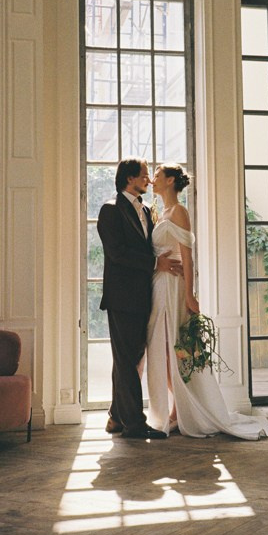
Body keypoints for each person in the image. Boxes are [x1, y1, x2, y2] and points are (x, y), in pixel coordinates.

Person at [146, 163, 268, 440]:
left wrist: (190, 295)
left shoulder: (179, 211)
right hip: (158, 286)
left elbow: (188, 258)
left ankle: (181, 411)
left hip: (174, 287)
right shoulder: (159, 213)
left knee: (177, 349)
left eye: (157, 175)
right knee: (162, 349)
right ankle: (179, 407)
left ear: (170, 181)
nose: (152, 179)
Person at [97, 157, 182, 440]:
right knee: (126, 360)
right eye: (144, 175)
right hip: (122, 297)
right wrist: (156, 263)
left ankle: (116, 417)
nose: (148, 179)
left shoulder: (146, 209)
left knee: (129, 359)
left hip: (146, 296)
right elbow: (117, 253)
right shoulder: (110, 210)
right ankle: (134, 425)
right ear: (129, 178)